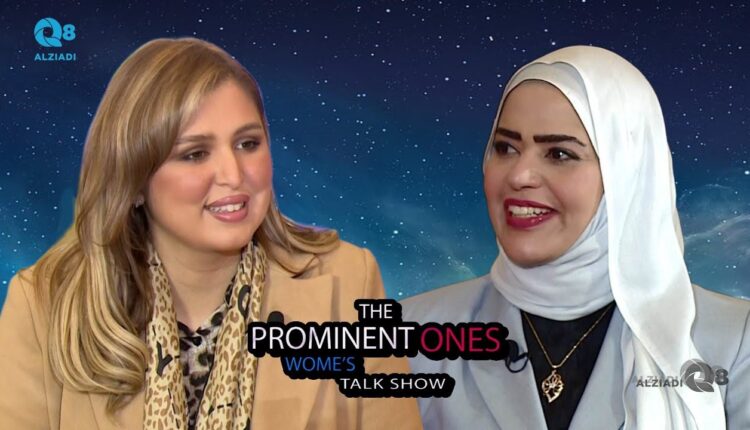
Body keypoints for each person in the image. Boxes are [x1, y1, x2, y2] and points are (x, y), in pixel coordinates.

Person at [0, 38, 422, 430]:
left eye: (248, 144)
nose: (233, 175)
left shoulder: (349, 280)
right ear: (134, 179)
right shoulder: (43, 305)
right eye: (195, 153)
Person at [401, 46, 750, 430]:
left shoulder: (733, 340)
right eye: (506, 148)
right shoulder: (412, 332)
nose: (519, 176)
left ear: (627, 173)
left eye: (559, 154)